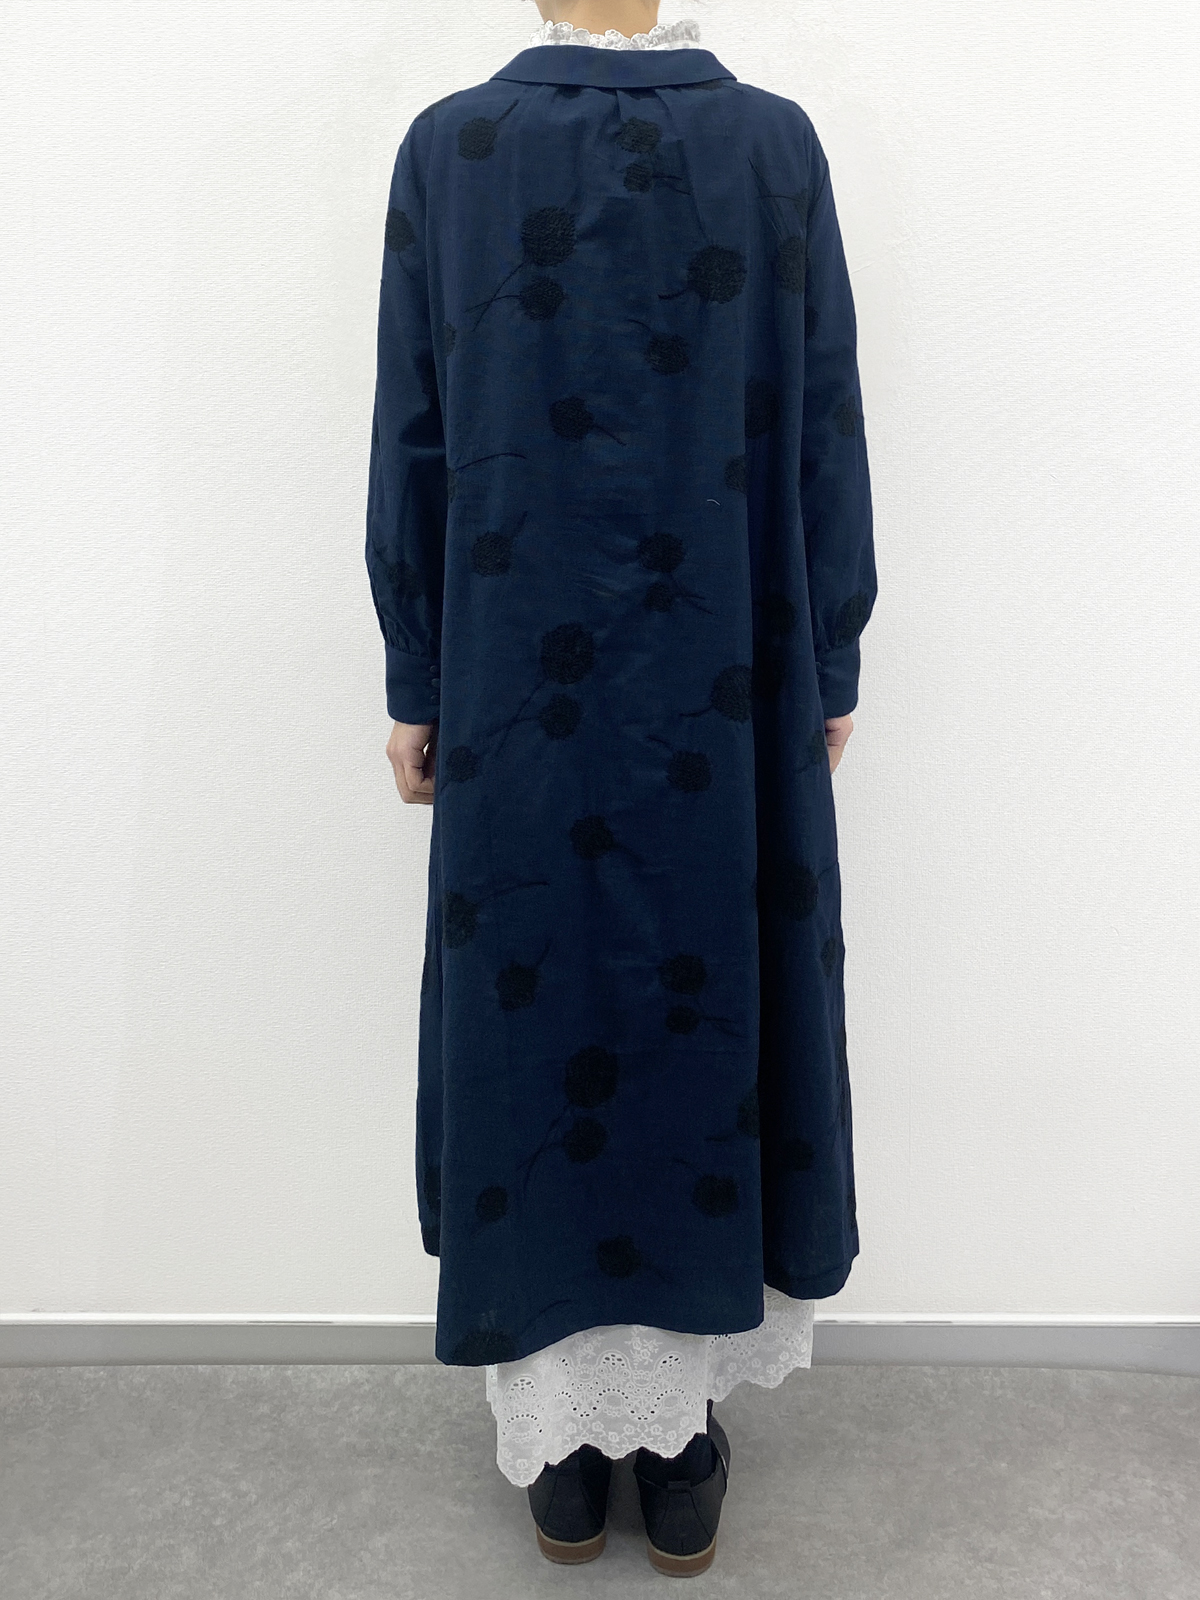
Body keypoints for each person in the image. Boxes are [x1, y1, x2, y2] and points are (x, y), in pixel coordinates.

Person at [365, 0, 876, 1575]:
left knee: (535, 1013)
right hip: (731, 669)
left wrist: (418, 673)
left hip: (514, 680)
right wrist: (830, 654)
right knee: (706, 1008)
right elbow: (827, 424)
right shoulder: (770, 145)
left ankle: (577, 1462)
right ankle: (677, 1445)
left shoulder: (451, 147)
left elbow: (415, 434)